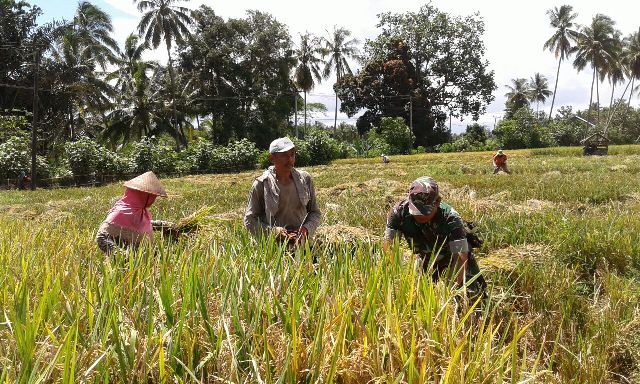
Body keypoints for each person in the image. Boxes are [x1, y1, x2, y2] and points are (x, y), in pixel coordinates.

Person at [383, 176, 485, 292]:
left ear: (437, 202)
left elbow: (460, 257)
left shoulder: (451, 218)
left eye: (425, 211)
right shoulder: (398, 212)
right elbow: (389, 247)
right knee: (421, 294)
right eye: (416, 211)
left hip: (452, 257)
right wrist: (397, 277)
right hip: (425, 257)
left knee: (469, 295)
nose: (419, 216)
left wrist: (449, 288)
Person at [244, 137, 321, 248]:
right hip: (274, 248)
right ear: (271, 158)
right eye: (284, 155)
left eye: (292, 155)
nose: (290, 159)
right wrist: (273, 232)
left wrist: (306, 229)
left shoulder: (305, 179)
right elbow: (249, 220)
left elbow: (315, 212)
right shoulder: (261, 184)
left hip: (302, 245)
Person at [95, 171, 172, 255]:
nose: (153, 200)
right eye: (152, 196)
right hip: (124, 265)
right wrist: (124, 256)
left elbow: (142, 225)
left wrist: (168, 225)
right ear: (143, 195)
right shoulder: (120, 212)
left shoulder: (142, 212)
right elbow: (101, 237)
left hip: (145, 261)